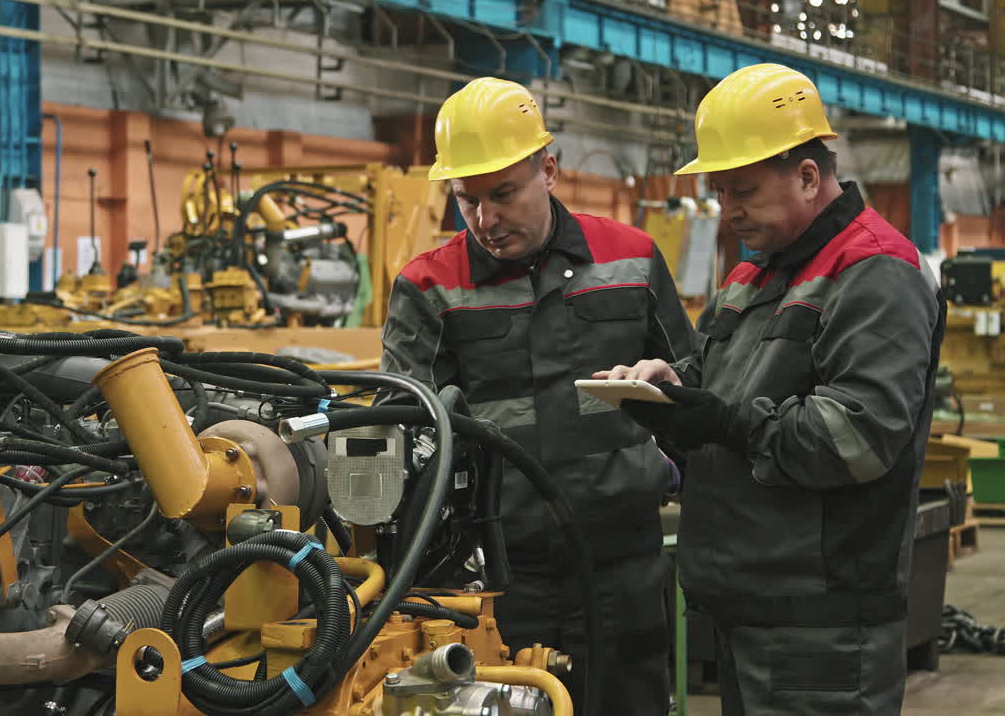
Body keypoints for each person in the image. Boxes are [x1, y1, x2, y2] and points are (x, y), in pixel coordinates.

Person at [598, 63, 946, 715]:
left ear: (808, 175)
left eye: (743, 191)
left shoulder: (876, 273)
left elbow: (860, 437)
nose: (728, 212)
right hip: (749, 607)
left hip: (824, 625)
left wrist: (725, 422)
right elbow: (715, 384)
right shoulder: (754, 274)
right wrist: (668, 393)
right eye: (721, 191)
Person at [377, 76, 695, 713]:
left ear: (548, 170)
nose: (485, 220)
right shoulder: (429, 287)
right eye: (466, 200)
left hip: (622, 568)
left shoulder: (630, 260)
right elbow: (398, 425)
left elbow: (694, 377)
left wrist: (665, 444)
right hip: (496, 581)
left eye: (503, 194)